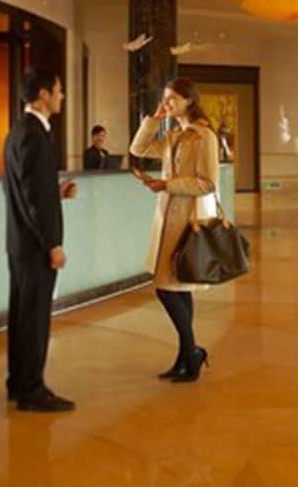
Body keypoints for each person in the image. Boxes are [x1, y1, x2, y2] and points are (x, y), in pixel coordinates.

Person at [129, 78, 220, 383]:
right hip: (167, 217)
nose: (166, 103)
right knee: (177, 286)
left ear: (189, 101)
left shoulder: (204, 137)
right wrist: (154, 120)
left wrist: (168, 184)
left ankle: (192, 352)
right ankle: (185, 357)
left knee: (165, 287)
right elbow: (138, 148)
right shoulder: (173, 135)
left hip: (185, 220)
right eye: (164, 98)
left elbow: (208, 183)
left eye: (172, 99)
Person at [2, 67, 78, 412]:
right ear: (44, 95)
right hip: (35, 245)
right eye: (58, 90)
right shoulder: (35, 135)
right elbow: (33, 197)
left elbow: (24, 188)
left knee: (22, 315)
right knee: (34, 318)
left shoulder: (19, 130)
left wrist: (55, 192)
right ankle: (32, 390)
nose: (62, 96)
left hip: (20, 241)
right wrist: (53, 244)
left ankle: (19, 382)